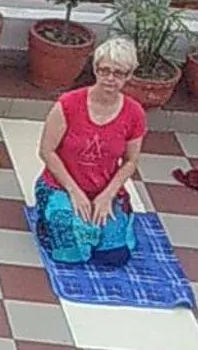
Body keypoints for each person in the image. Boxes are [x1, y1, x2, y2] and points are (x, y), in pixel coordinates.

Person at [35, 37, 147, 267]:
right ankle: (47, 220)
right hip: (61, 186)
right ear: (95, 69)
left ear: (129, 76)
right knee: (74, 252)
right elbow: (47, 151)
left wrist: (107, 195)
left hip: (103, 188)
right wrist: (74, 191)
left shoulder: (134, 113)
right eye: (105, 70)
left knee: (114, 257)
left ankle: (113, 222)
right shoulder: (68, 104)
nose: (110, 78)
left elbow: (130, 161)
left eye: (119, 73)